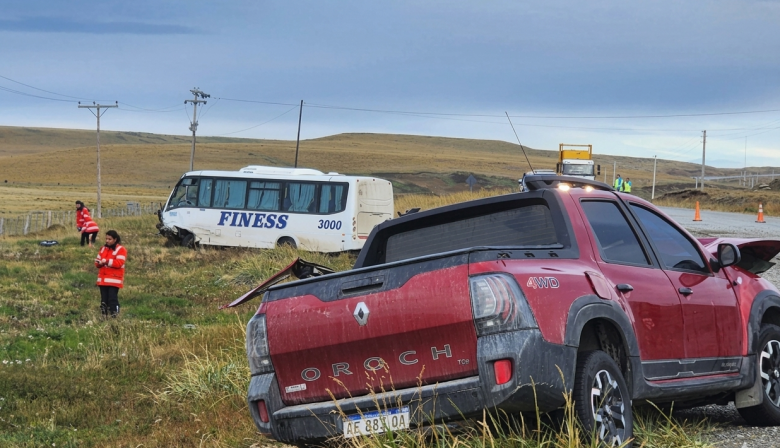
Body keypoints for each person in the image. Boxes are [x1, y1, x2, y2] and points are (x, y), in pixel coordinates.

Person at [95, 230, 126, 318]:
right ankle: (104, 316)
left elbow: (119, 263)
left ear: (115, 239)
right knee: (103, 300)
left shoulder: (121, 249)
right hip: (103, 280)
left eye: (110, 239)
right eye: (106, 239)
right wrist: (99, 263)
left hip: (114, 280)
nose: (107, 241)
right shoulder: (102, 249)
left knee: (112, 299)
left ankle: (115, 316)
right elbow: (97, 262)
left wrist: (107, 261)